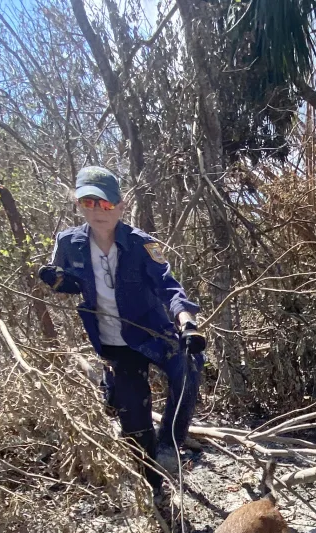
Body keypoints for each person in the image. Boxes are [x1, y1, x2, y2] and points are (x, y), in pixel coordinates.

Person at [39, 166, 206, 507]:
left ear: (120, 205)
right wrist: (58, 281)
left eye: (105, 203)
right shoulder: (68, 243)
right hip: (114, 342)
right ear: (78, 204)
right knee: (134, 416)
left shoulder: (142, 244)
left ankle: (170, 446)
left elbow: (168, 286)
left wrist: (186, 321)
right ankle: (153, 485)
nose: (97, 210)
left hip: (153, 331)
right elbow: (67, 280)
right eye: (88, 202)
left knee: (190, 362)